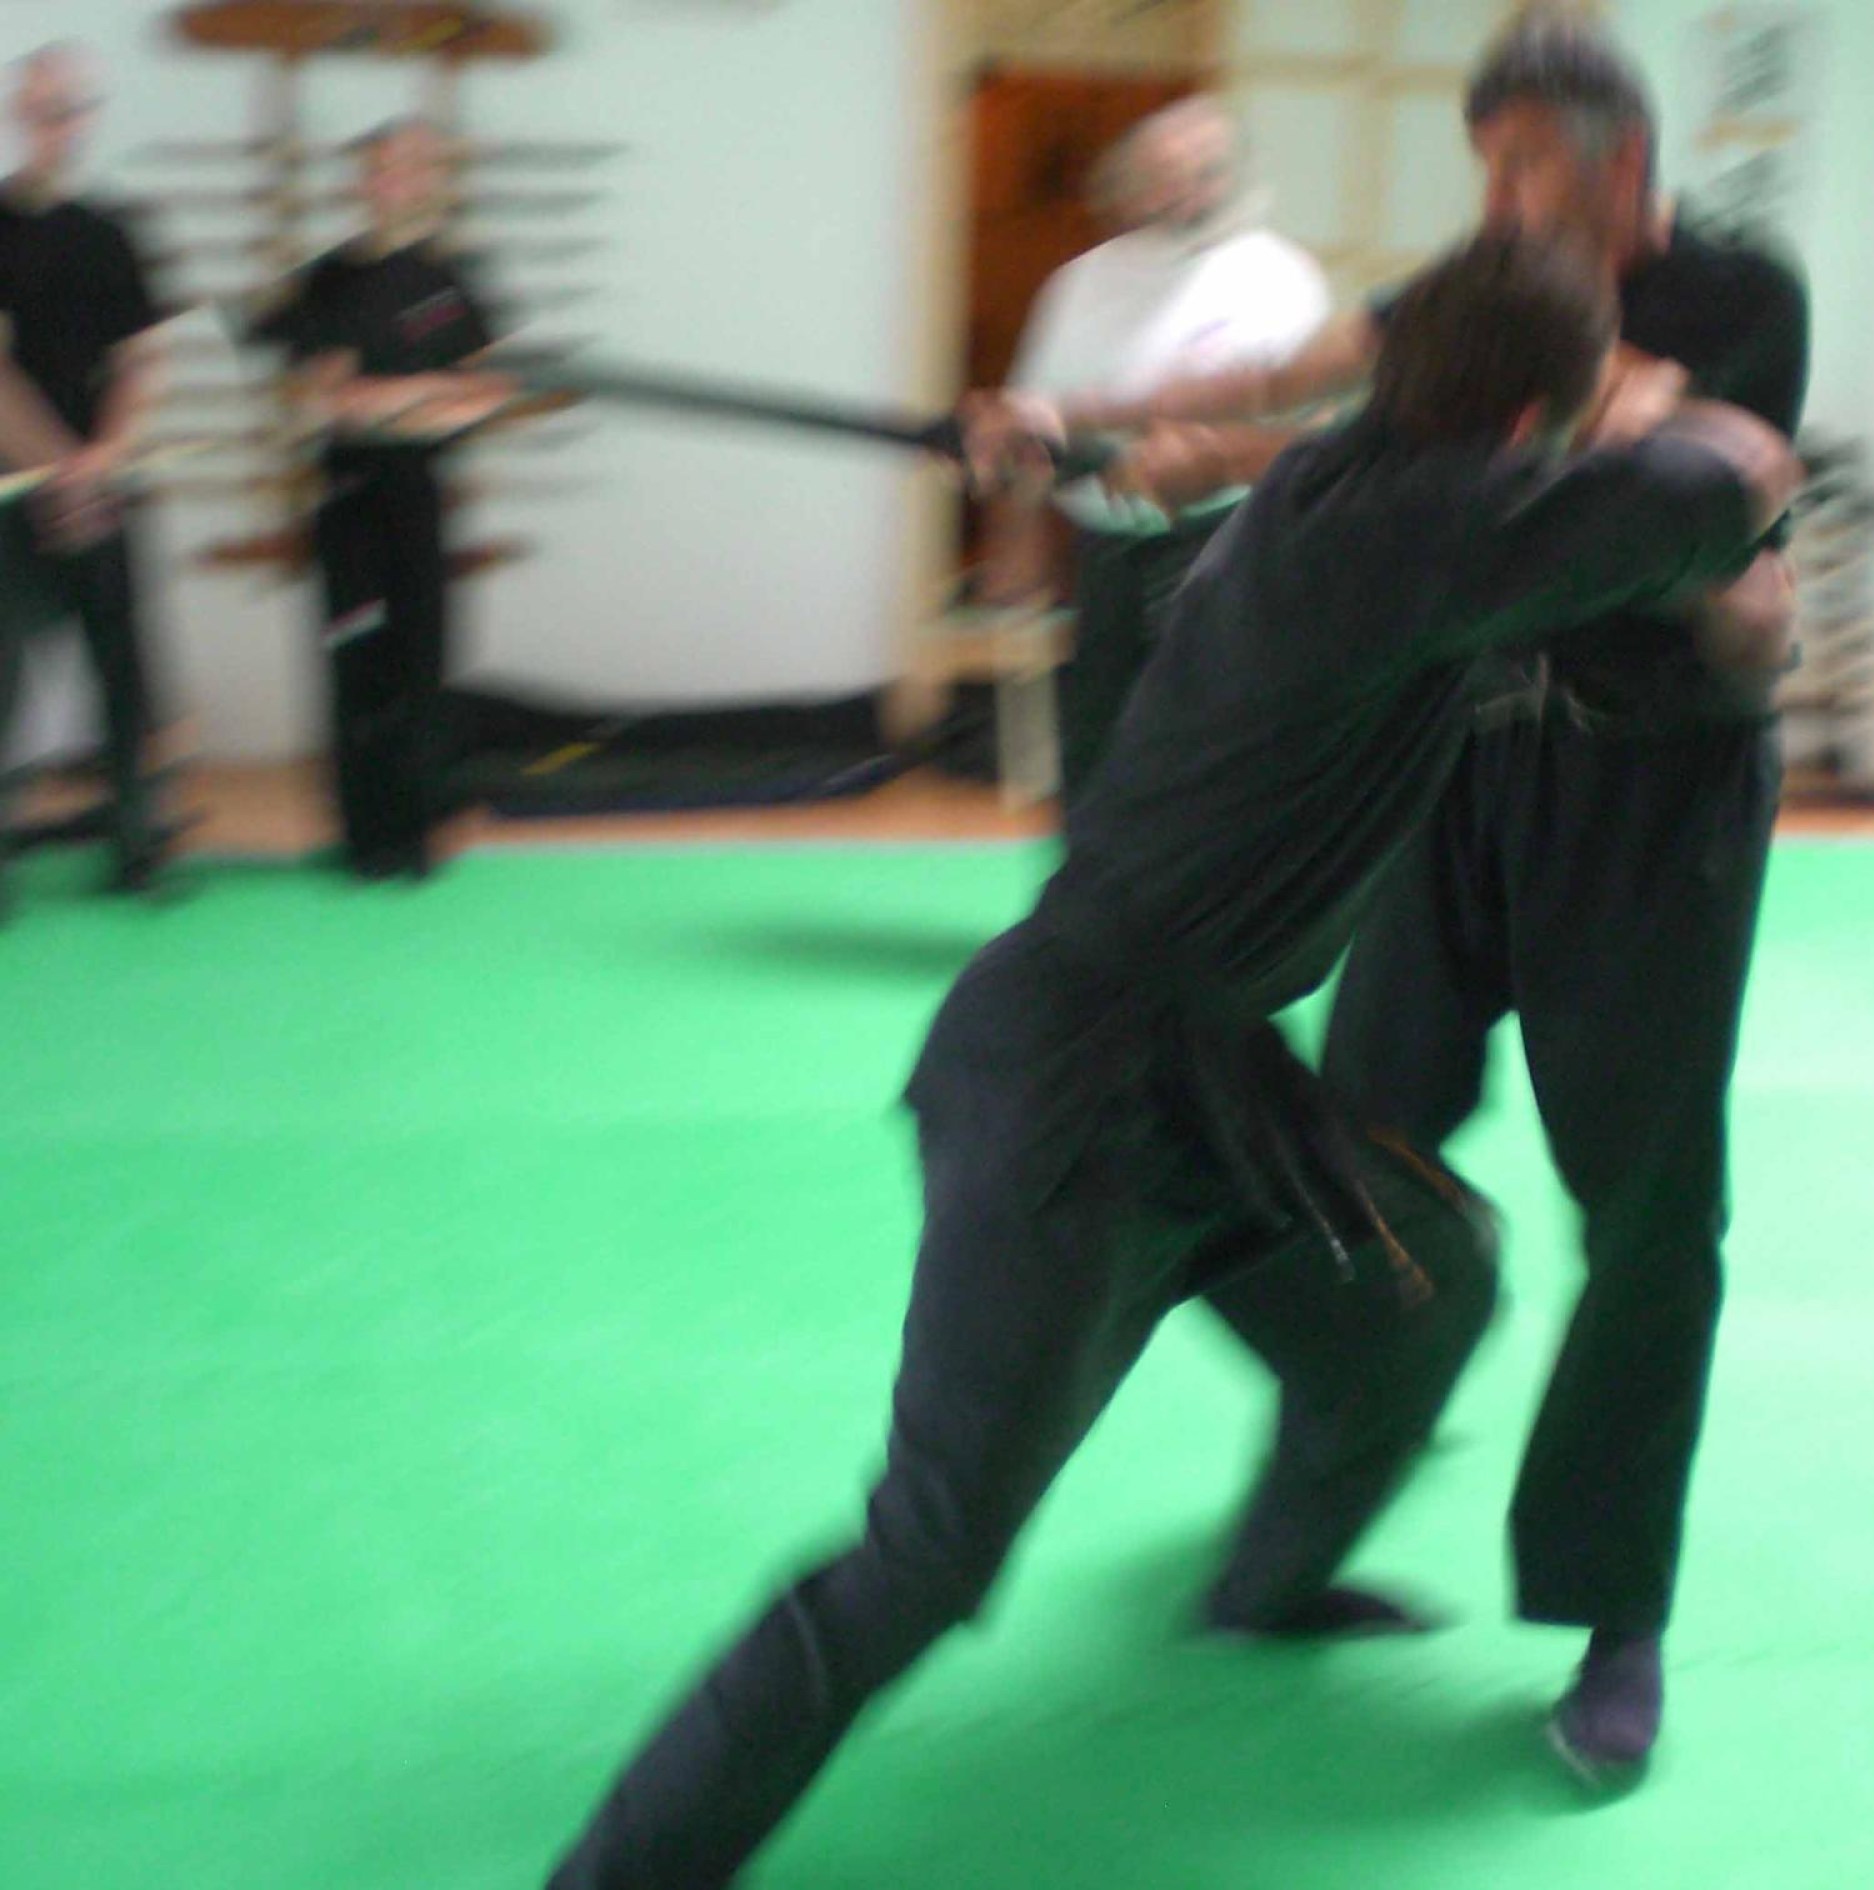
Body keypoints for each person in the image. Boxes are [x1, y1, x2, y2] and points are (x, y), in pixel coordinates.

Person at [543, 233, 1800, 1889]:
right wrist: (1672, 418)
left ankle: (1267, 1584)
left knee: (1426, 1281)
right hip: (1071, 1092)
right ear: (1521, 428)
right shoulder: (1416, 532)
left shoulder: (1358, 487)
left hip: (1208, 1074)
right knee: (927, 1555)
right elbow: (1727, 484)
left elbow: (1670, 600)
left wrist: (1149, 439)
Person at [972, 14, 1811, 1784]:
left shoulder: (1740, 293)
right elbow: (1316, 373)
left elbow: (1643, 463)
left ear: (1625, 166)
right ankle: (1292, 1544)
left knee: (1649, 1210)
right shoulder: (1491, 283)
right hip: (1462, 767)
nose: (1498, 205)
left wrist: (1282, 453)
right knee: (1344, 1162)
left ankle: (1614, 1612)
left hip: (1650, 796)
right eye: (1483, 170)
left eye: (1529, 170)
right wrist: (1077, 418)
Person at [979, 97, 1328, 808]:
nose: (1184, 188)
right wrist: (1015, 545)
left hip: (1226, 537)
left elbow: (1312, 428)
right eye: (1162, 173)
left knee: (1205, 741)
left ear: (1233, 176)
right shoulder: (1081, 282)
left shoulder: (1281, 277)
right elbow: (1026, 424)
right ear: (1126, 182)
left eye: (1204, 169)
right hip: (1105, 540)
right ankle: (1086, 880)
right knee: (1096, 740)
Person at [251, 118, 514, 881]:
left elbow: (487, 395)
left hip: (420, 493)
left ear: (431, 180)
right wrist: (427, 393)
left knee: (423, 659)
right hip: (350, 497)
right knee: (359, 666)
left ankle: (423, 828)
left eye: (407, 168)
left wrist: (395, 397)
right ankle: (368, 837)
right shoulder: (327, 281)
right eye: (377, 169)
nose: (390, 182)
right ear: (360, 183)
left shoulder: (453, 280)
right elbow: (326, 402)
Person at [0, 42, 175, 911]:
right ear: (17, 113)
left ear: (87, 117)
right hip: (15, 491)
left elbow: (145, 358)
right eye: (41, 109)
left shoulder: (113, 232)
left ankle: (138, 849)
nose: (56, 124)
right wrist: (59, 468)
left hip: (103, 483)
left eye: (69, 109)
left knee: (123, 671)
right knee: (4, 675)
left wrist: (104, 456)